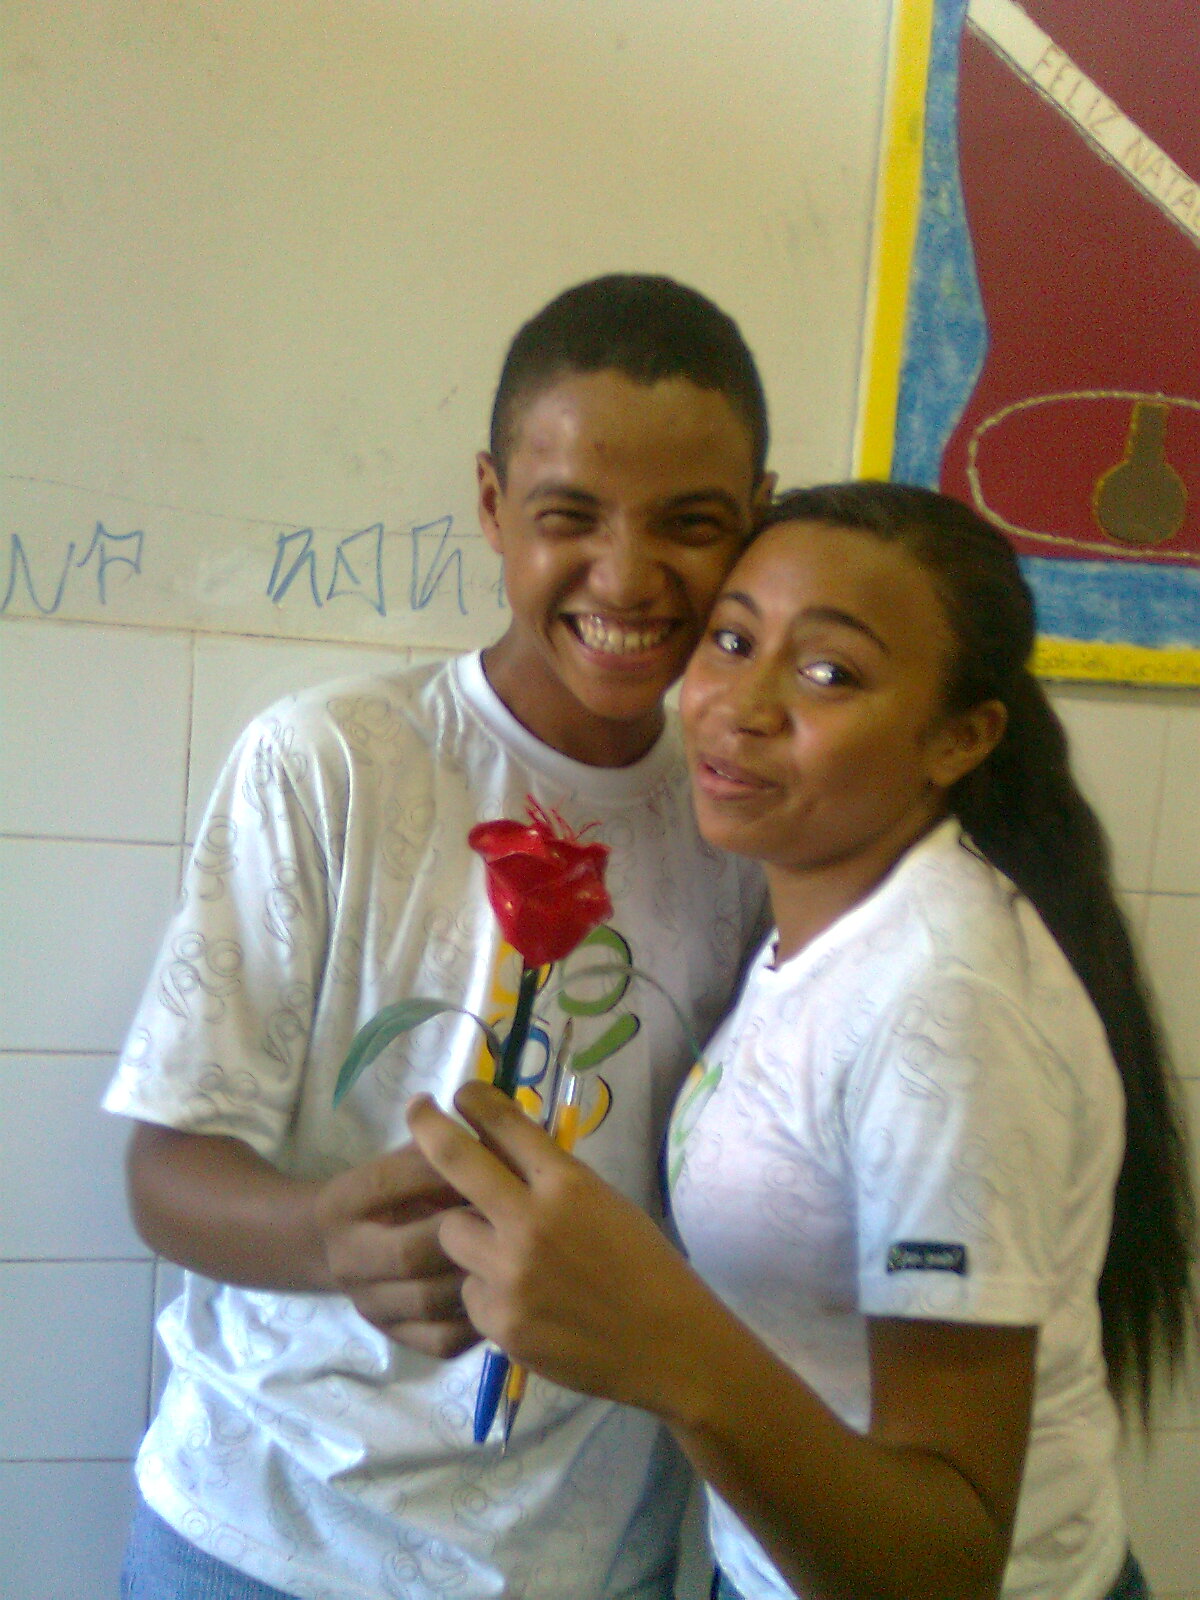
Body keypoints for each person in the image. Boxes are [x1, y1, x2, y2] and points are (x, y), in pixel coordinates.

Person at [103, 273, 777, 1600]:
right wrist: (326, 1237)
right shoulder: (331, 762)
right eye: (569, 515)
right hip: (267, 1537)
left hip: (584, 1558)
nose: (627, 576)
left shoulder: (751, 821)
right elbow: (165, 1169)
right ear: (491, 505)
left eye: (691, 524)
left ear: (756, 516)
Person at [408, 482, 1197, 1600]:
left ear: (959, 738)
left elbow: (947, 1568)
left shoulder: (944, 1008)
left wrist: (667, 1343)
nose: (742, 705)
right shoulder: (826, 925)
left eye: (829, 673)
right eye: (733, 642)